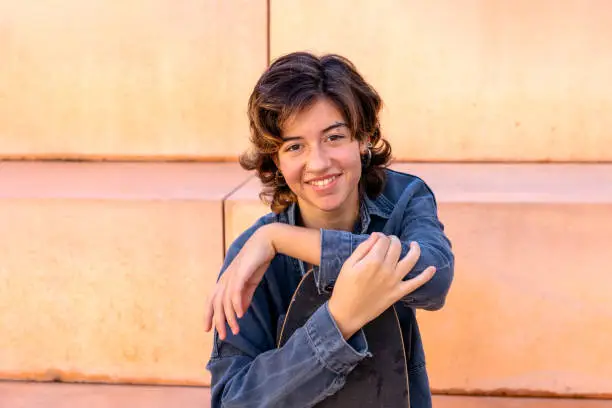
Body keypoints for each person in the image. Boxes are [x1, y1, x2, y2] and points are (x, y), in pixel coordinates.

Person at [204, 51, 454, 408]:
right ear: (276, 159)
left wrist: (282, 239)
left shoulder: (403, 200)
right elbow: (233, 400)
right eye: (294, 146)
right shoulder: (251, 257)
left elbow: (435, 278)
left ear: (363, 138)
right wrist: (339, 321)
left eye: (334, 137)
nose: (318, 163)